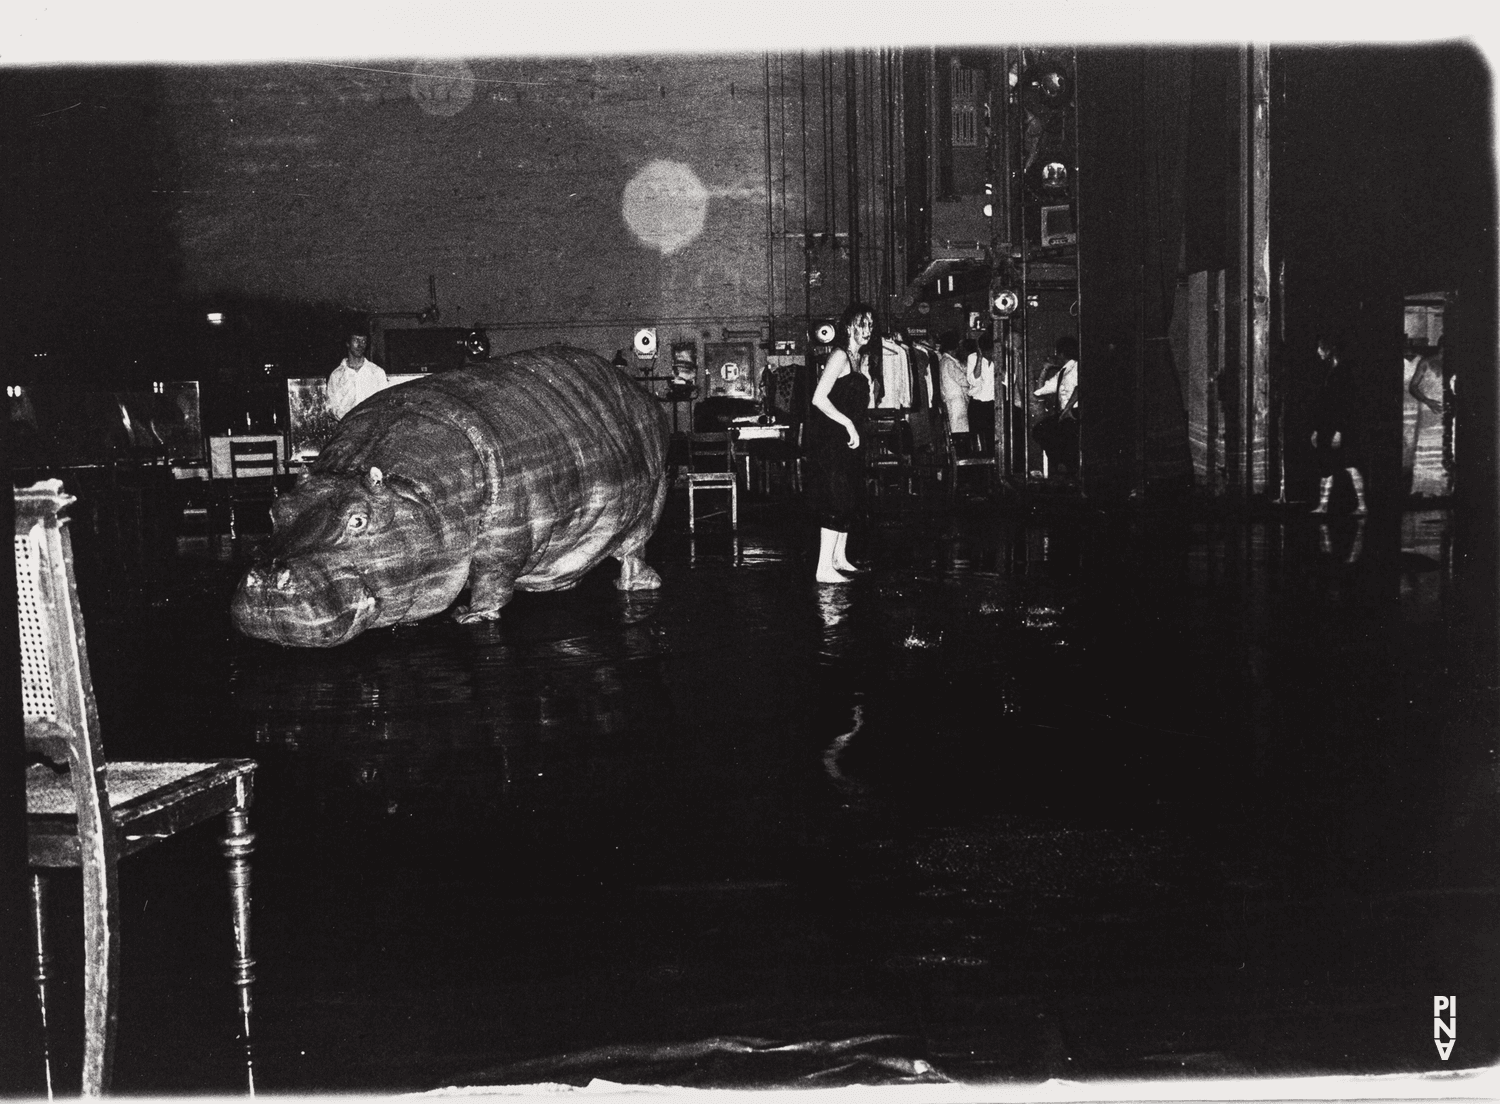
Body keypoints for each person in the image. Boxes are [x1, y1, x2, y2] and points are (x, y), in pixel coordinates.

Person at [808, 302, 874, 584]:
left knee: (849, 498)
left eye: (870, 325)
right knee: (835, 499)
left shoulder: (860, 359)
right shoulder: (839, 356)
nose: (867, 330)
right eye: (862, 324)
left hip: (850, 439)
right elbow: (818, 398)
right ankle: (824, 568)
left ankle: (839, 558)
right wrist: (847, 423)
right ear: (848, 327)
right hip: (833, 439)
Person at [1309, 334, 1368, 515]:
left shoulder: (1342, 372)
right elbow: (1324, 405)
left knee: (1349, 465)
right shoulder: (1329, 371)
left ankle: (1361, 505)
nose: (1318, 352)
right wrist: (1317, 430)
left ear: (1328, 349)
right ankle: (1324, 505)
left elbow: (1346, 405)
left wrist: (1339, 431)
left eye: (1320, 348)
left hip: (1339, 427)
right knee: (1329, 467)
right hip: (1329, 426)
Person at [1031, 335, 1079, 480]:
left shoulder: (1077, 367)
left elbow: (1080, 388)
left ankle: (1066, 468)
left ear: (1062, 353)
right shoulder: (1062, 372)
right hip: (1065, 413)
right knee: (1040, 430)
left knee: (1053, 433)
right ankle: (1061, 465)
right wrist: (1045, 370)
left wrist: (1067, 409)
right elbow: (1040, 390)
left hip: (1074, 412)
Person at [327, 332, 389, 420]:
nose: (360, 345)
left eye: (363, 341)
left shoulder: (377, 372)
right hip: (346, 428)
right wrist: (345, 417)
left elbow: (384, 402)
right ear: (348, 343)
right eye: (356, 340)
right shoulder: (337, 375)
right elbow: (331, 406)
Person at [936, 332, 970, 453]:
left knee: (958, 431)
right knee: (960, 434)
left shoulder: (946, 361)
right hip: (956, 403)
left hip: (954, 402)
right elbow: (963, 380)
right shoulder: (949, 362)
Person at [966, 334, 996, 456]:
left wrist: (998, 363)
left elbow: (1009, 381)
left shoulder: (1000, 358)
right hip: (977, 405)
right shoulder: (972, 358)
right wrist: (979, 359)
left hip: (993, 405)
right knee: (977, 442)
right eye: (986, 352)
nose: (988, 355)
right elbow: (973, 380)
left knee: (992, 440)